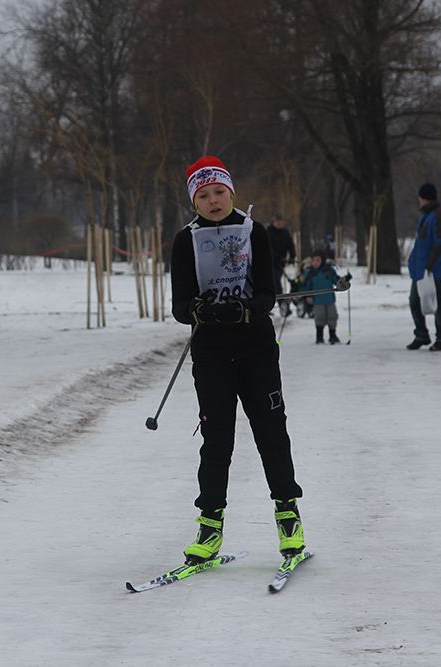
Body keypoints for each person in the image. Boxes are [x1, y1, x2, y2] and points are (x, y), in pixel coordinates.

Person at [170, 155, 306, 564]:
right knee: (217, 440)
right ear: (194, 201)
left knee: (271, 432)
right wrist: (200, 310)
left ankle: (288, 516)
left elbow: (267, 293)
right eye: (204, 195)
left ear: (231, 193)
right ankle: (210, 527)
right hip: (211, 352)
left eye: (219, 192)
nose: (213, 201)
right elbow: (179, 306)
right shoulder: (184, 241)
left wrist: (247, 309)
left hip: (255, 348)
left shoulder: (254, 232)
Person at [407, 182, 441, 351]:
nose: (418, 201)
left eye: (420, 198)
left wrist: (429, 266)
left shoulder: (439, 216)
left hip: (434, 270)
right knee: (414, 301)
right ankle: (421, 334)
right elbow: (421, 243)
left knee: (438, 302)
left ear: (425, 198)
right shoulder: (426, 216)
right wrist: (414, 262)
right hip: (421, 270)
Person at [301, 251, 345, 344]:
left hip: (330, 299)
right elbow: (306, 286)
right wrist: (308, 296)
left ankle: (332, 335)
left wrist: (342, 282)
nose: (315, 263)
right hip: (317, 300)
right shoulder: (310, 272)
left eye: (318, 260)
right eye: (313, 260)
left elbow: (336, 280)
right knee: (319, 317)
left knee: (332, 317)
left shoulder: (329, 271)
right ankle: (319, 336)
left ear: (323, 261)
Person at [266, 213, 296, 314]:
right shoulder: (268, 232)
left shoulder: (285, 233)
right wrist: (275, 256)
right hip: (269, 263)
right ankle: (280, 303)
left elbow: (290, 245)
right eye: (277, 221)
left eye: (281, 222)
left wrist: (292, 256)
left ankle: (282, 304)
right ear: (273, 222)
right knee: (274, 283)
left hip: (280, 262)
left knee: (277, 282)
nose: (279, 223)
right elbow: (266, 246)